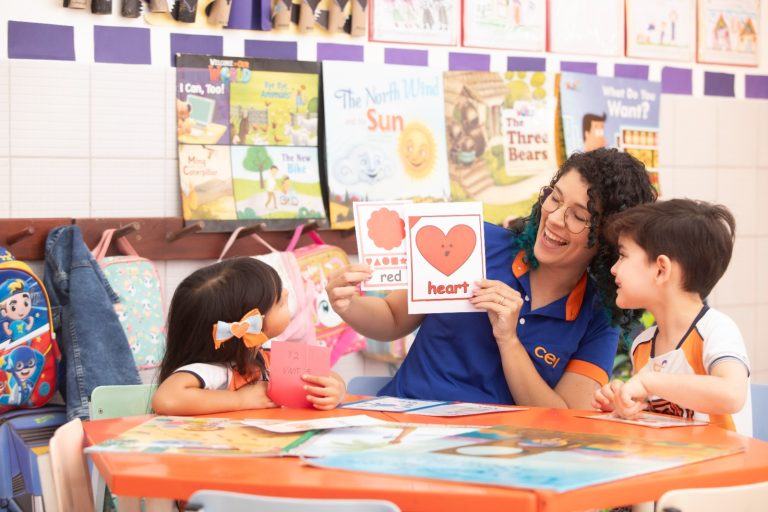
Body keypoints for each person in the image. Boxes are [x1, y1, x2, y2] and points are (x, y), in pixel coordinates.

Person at [327, 148, 657, 408]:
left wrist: (509, 341)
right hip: (403, 429)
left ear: (606, 238)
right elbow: (392, 317)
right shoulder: (474, 242)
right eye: (554, 198)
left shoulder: (598, 316)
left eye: (579, 217)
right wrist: (348, 304)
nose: (555, 219)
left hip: (498, 459)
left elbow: (563, 419)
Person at [592, 199, 751, 435]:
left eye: (623, 256)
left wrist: (647, 382)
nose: (614, 268)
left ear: (661, 269)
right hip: (675, 466)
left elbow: (731, 394)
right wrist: (625, 405)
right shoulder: (642, 345)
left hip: (725, 468)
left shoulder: (717, 330)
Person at [152, 257, 346, 415]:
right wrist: (240, 400)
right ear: (250, 325)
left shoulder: (271, 351)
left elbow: (325, 374)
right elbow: (166, 399)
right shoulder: (216, 371)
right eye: (279, 300)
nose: (286, 293)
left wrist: (334, 390)